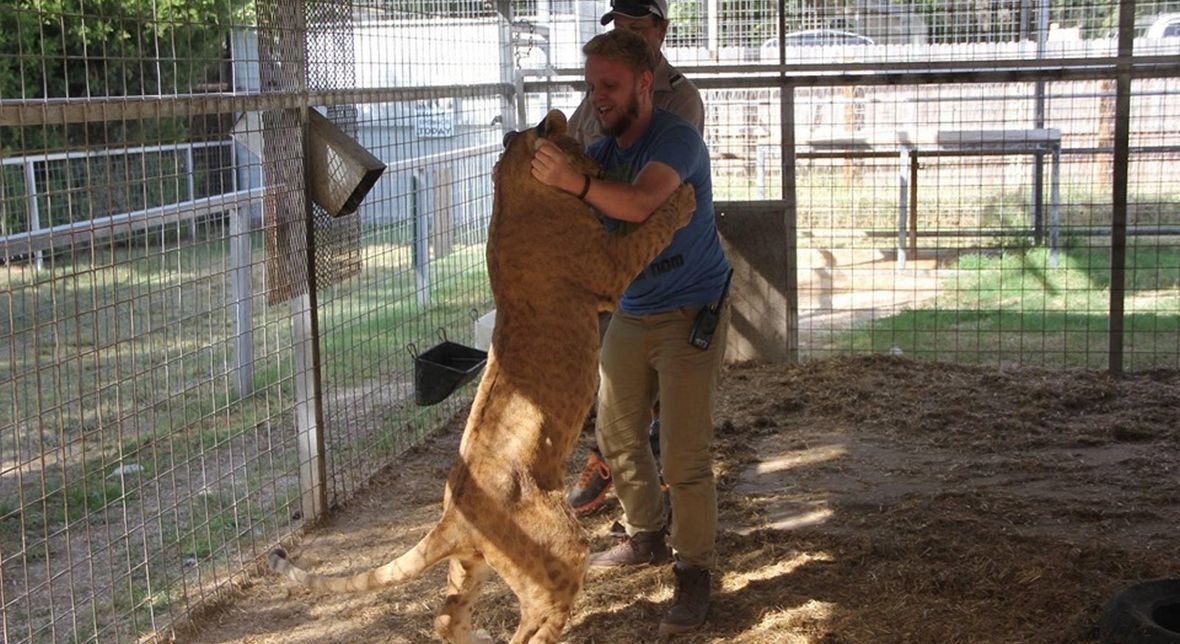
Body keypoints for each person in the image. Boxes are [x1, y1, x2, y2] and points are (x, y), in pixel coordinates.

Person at [531, 28, 730, 635]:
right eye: (591, 87)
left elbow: (642, 204)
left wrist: (576, 184)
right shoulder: (606, 145)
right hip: (635, 307)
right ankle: (647, 533)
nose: (599, 98)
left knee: (684, 456)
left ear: (646, 83)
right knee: (616, 436)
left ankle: (694, 574)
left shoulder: (676, 140)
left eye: (610, 86)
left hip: (691, 309)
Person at [566, 0, 705, 520]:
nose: (627, 32)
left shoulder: (681, 102)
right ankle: (622, 479)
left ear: (660, 32)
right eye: (619, 25)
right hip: (611, 262)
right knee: (617, 387)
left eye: (637, 26)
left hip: (667, 262)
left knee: (672, 399)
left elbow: (647, 193)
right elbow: (583, 149)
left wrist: (582, 184)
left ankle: (668, 491)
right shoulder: (601, 92)